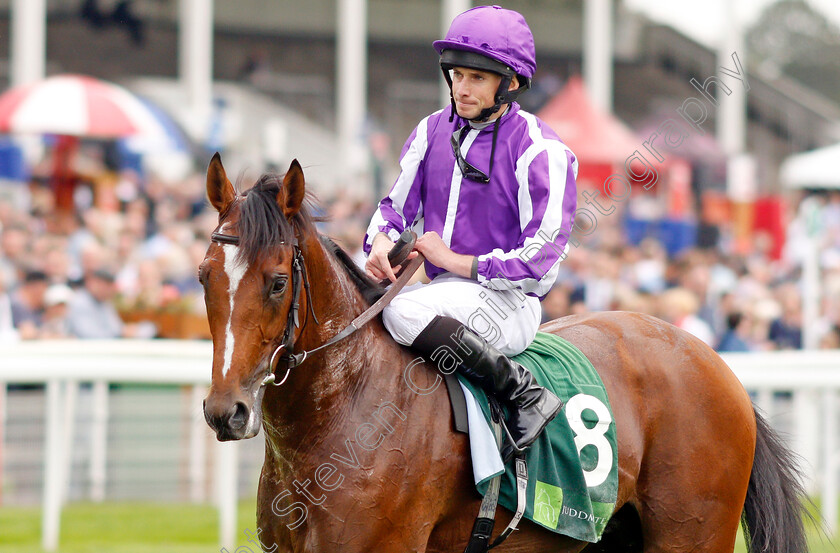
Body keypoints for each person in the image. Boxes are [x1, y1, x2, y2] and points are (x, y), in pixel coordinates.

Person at [364, 6, 577, 459]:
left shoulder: (541, 149)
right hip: (442, 296)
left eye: (477, 78)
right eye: (457, 74)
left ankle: (523, 394)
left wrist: (455, 261)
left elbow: (540, 258)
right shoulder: (430, 131)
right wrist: (382, 242)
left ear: (511, 82)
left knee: (400, 314)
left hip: (508, 304)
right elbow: (392, 209)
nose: (461, 87)